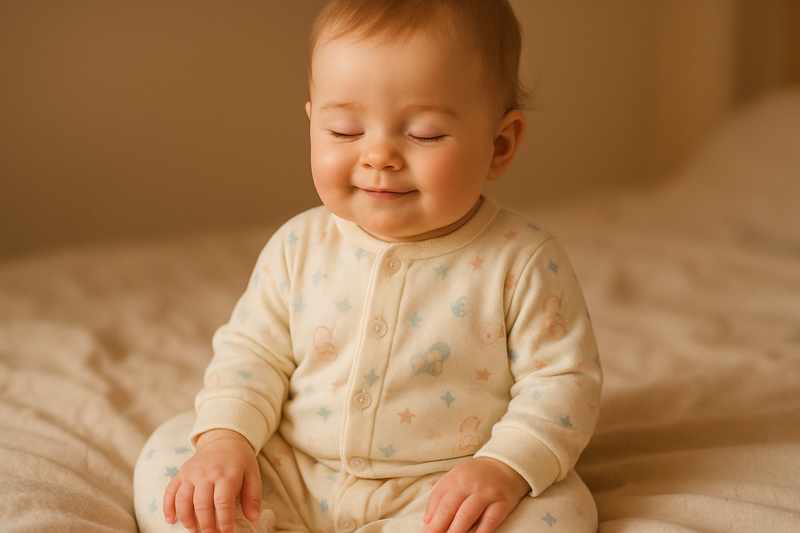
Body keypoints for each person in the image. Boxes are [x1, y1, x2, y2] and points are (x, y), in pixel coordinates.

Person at [133, 1, 602, 532]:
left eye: (424, 133)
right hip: (295, 470)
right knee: (172, 454)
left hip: (443, 490)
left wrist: (503, 467)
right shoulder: (298, 246)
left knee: (560, 511)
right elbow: (252, 354)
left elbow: (563, 382)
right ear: (313, 123)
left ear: (499, 145)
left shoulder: (523, 261)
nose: (379, 156)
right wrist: (226, 441)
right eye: (344, 130)